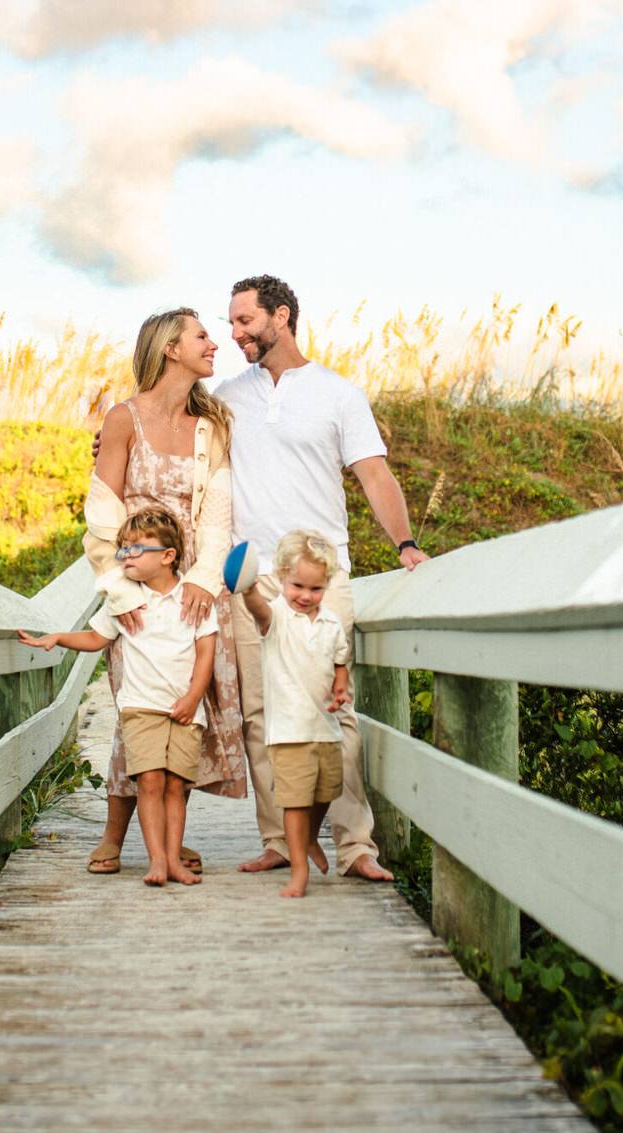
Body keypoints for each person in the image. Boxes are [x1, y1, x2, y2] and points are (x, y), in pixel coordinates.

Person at [219, 274, 429, 881]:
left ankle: (355, 845)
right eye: (229, 323)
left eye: (245, 321)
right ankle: (281, 841)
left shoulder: (339, 394)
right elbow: (169, 432)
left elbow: (373, 475)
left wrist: (406, 544)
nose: (235, 334)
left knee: (334, 710)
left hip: (323, 574)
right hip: (253, 576)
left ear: (281, 316)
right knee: (260, 715)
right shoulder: (227, 396)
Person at [83, 307, 248, 875]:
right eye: (202, 336)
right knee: (139, 707)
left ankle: (167, 840)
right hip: (136, 591)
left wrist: (204, 581)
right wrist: (121, 594)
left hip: (194, 589)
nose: (214, 344)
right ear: (170, 349)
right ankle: (113, 833)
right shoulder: (123, 418)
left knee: (185, 712)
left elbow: (219, 513)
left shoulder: (213, 425)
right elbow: (102, 517)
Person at [21, 507, 214, 887]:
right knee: (150, 783)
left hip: (186, 709)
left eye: (134, 550)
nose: (124, 557)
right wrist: (59, 637)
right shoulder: (124, 602)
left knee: (177, 786)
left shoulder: (192, 600)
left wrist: (194, 697)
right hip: (141, 708)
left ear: (168, 556)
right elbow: (96, 639)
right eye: (122, 549)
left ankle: (174, 858)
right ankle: (157, 861)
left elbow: (206, 652)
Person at [236, 529, 352, 899]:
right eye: (297, 585)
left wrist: (340, 687)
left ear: (327, 585)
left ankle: (311, 841)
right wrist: (248, 588)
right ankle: (299, 869)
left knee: (325, 793)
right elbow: (257, 610)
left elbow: (339, 663)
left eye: (315, 589)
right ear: (283, 578)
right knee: (296, 800)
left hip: (326, 729)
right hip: (289, 731)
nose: (305, 596)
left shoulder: (332, 623)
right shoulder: (277, 618)